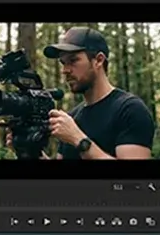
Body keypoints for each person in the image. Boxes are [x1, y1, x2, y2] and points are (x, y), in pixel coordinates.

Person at [43, 30, 153, 162]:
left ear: (99, 60)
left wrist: (79, 140)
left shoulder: (129, 110)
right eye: (63, 63)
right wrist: (30, 152)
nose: (65, 70)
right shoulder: (71, 118)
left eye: (73, 60)